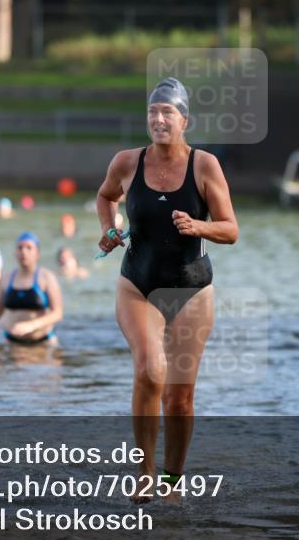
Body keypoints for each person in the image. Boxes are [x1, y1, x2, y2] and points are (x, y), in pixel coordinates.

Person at [96, 77, 238, 502]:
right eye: (153, 112)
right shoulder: (126, 161)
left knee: (179, 396)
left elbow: (231, 229)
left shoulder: (204, 165)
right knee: (149, 369)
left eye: (167, 113)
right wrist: (109, 228)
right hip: (138, 283)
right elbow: (106, 197)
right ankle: (144, 472)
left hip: (192, 289)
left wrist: (199, 226)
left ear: (184, 120)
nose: (158, 119)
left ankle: (173, 481)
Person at [0, 232, 63, 346]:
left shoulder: (46, 277)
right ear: (15, 253)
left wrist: (31, 325)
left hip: (42, 342)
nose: (23, 252)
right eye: (20, 248)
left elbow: (57, 313)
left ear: (37, 253)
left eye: (29, 248)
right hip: (12, 342)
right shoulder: (7, 279)